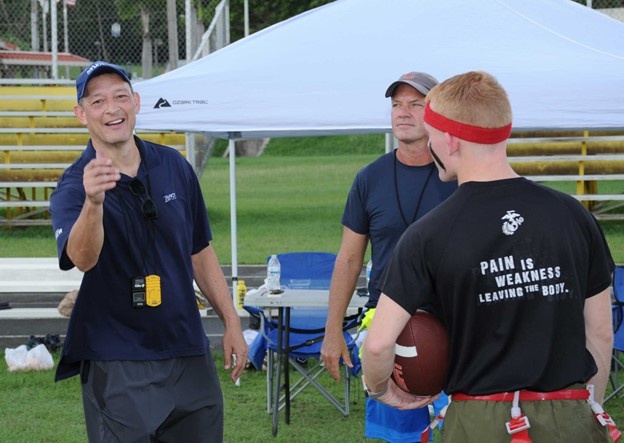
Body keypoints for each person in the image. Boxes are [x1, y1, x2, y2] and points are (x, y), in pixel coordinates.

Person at [361, 71, 619, 442]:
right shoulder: (573, 215)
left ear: (448, 140)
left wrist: (380, 389)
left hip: (477, 423)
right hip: (570, 416)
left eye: (431, 135)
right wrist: (583, 405)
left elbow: (380, 343)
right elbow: (599, 333)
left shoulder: (426, 234)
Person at [50, 61, 248, 442]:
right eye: (98, 101)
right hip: (119, 357)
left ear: (136, 101)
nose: (112, 109)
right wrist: (94, 204)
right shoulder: (76, 186)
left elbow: (199, 251)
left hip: (187, 350)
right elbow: (83, 258)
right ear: (81, 114)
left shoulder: (173, 165)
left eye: (121, 96)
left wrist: (232, 322)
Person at [321, 72, 457, 442]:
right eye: (397, 104)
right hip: (387, 325)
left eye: (416, 104)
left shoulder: (460, 176)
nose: (403, 112)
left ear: (437, 113)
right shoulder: (370, 178)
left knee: (462, 430)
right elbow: (349, 259)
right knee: (398, 436)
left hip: (454, 324)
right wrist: (333, 330)